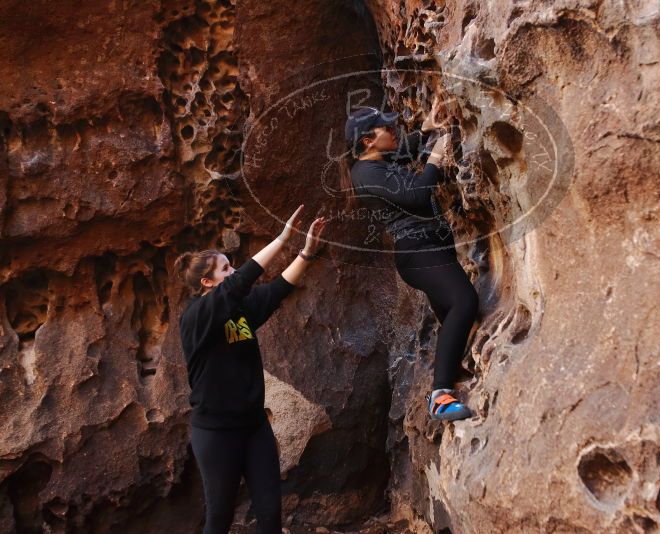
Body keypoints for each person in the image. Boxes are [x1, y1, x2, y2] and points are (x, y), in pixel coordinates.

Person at [174, 205, 327, 534]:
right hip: (216, 433)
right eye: (225, 269)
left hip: (254, 427)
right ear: (206, 282)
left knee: (270, 513)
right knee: (220, 517)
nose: (233, 272)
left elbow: (276, 291)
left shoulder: (239, 312)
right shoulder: (196, 317)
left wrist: (306, 253)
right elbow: (240, 283)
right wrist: (282, 238)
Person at [340, 98, 479, 421]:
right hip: (418, 253)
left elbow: (402, 154)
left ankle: (451, 375)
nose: (393, 130)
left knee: (453, 318)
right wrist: (436, 157)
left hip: (429, 248)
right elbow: (416, 195)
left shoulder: (375, 163)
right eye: (386, 128)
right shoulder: (366, 172)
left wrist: (425, 129)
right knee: (464, 301)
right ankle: (440, 396)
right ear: (367, 140)